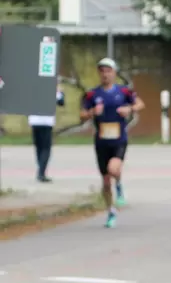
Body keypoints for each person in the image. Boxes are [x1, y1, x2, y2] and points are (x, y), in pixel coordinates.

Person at [80, 58, 145, 229]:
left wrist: (129, 109)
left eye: (108, 71)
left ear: (114, 73)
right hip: (101, 141)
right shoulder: (92, 94)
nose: (105, 74)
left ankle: (119, 187)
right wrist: (93, 112)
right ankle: (111, 211)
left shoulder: (124, 91)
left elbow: (140, 104)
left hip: (119, 139)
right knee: (105, 181)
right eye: (102, 71)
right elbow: (82, 115)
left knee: (113, 168)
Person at [28, 85, 65, 183]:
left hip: (34, 120)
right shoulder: (50, 87)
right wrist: (60, 92)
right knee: (46, 148)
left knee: (39, 147)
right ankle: (41, 172)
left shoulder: (32, 88)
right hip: (46, 121)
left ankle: (41, 170)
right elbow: (61, 102)